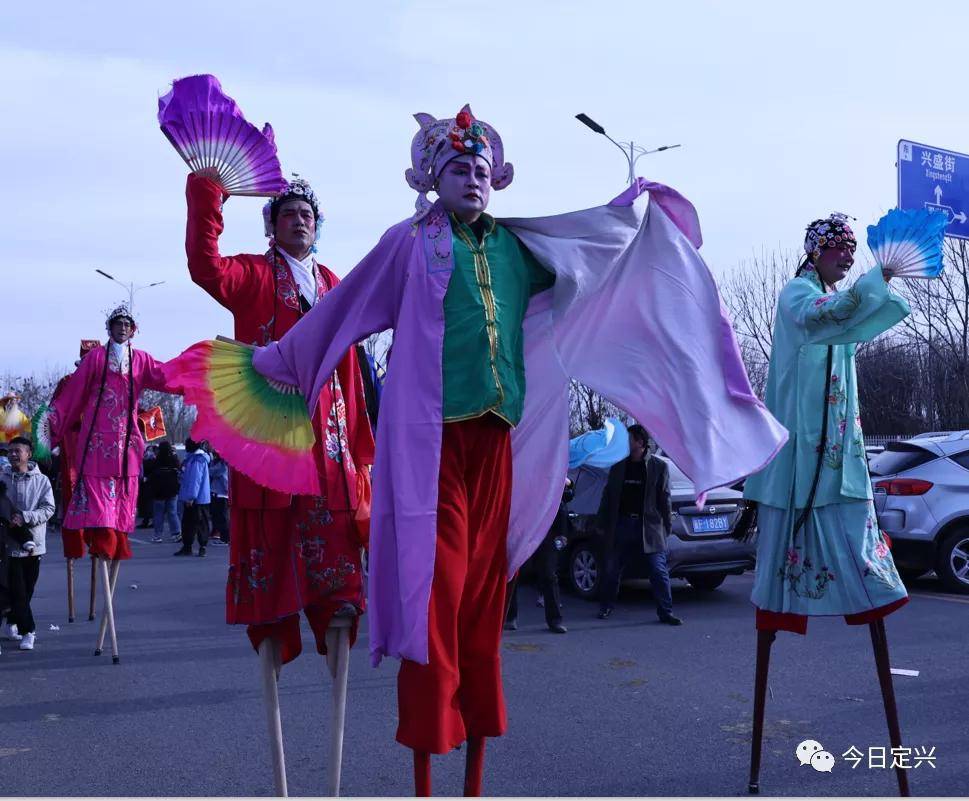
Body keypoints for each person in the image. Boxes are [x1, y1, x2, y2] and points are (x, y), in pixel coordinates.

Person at [222, 104, 787, 795]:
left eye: (482, 168)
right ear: (431, 178)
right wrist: (264, 366)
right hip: (431, 449)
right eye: (458, 167)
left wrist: (630, 215)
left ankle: (475, 779)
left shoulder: (520, 249)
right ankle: (427, 776)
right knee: (438, 598)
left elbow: (592, 260)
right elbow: (337, 317)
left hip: (499, 445)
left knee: (485, 605)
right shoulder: (409, 244)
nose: (472, 178)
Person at [741, 213, 912, 794]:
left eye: (848, 248)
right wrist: (874, 278)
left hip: (839, 454)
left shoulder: (837, 302)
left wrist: (879, 282)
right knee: (783, 562)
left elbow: (859, 316)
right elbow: (829, 317)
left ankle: (869, 589)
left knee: (862, 549)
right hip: (801, 456)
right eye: (836, 247)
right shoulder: (798, 295)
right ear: (813, 252)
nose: (843, 255)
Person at [183, 170, 374, 663]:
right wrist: (209, 197)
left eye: (306, 215)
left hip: (329, 442)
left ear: (318, 226)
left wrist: (358, 443)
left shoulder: (334, 282)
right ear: (271, 226)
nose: (298, 221)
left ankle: (334, 623)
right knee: (272, 541)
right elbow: (206, 267)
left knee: (334, 554)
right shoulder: (253, 274)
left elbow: (351, 365)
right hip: (271, 433)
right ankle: (274, 628)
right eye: (287, 214)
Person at [47, 305, 178, 660]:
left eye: (127, 324)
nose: (122, 329)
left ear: (134, 330)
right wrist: (53, 423)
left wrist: (198, 376)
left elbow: (168, 376)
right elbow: (73, 394)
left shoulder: (142, 360)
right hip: (96, 441)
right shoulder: (96, 360)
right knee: (98, 503)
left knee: (121, 505)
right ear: (109, 328)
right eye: (117, 324)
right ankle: (102, 537)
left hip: (126, 447)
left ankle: (115, 538)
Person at [597, 425, 681, 625]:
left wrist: (667, 526)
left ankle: (665, 612)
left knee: (658, 571)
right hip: (623, 525)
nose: (626, 442)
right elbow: (607, 497)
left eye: (629, 438)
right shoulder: (619, 467)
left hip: (649, 528)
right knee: (612, 569)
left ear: (640, 443)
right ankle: (606, 606)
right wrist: (601, 522)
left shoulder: (658, 467)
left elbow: (665, 499)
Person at [0, 437, 55, 652]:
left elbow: (49, 509)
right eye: (10, 451)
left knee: (27, 590)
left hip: (34, 544)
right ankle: (28, 631)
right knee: (18, 590)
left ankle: (12, 618)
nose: (13, 455)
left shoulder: (42, 481)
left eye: (18, 451)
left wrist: (25, 517)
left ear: (28, 454)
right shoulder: (2, 477)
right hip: (7, 546)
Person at [505, 477, 571, 634]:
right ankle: (509, 617)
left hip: (546, 531)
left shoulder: (550, 470)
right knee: (513, 572)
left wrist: (562, 533)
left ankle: (555, 620)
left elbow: (565, 498)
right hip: (523, 529)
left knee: (549, 575)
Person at [174, 438, 211, 557]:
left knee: (193, 523)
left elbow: (195, 480)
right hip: (199, 497)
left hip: (196, 499)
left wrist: (191, 497)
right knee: (196, 523)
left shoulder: (197, 460)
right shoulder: (192, 459)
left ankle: (195, 547)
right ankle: (194, 546)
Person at [148, 441, 181, 543]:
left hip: (159, 491)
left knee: (158, 514)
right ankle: (176, 533)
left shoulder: (156, 460)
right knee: (172, 512)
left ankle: (158, 535)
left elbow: (150, 473)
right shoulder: (174, 459)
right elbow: (179, 470)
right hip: (172, 490)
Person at [208, 451, 229, 544]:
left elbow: (223, 479)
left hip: (221, 494)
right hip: (218, 493)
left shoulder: (223, 465)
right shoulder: (220, 463)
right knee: (218, 517)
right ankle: (221, 536)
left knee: (222, 517)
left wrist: (227, 490)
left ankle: (225, 538)